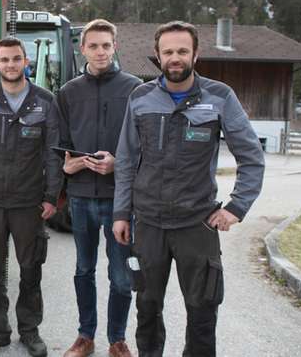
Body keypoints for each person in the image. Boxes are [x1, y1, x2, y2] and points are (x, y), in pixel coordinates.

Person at [112, 21, 265, 356]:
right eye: (168, 52)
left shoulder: (220, 96)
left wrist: (236, 207)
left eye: (182, 51)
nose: (175, 58)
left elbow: (252, 157)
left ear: (195, 54)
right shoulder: (140, 97)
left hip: (198, 224)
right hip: (149, 223)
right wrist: (122, 213)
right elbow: (125, 160)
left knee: (202, 310)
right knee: (148, 308)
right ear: (158, 56)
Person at [0, 37, 62, 357]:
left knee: (31, 269)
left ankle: (29, 331)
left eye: (16, 59)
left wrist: (51, 196)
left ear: (26, 62)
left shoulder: (45, 101)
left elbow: (53, 154)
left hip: (28, 202)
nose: (10, 65)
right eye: (4, 60)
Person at [57, 19, 141, 357]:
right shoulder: (68, 92)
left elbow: (143, 147)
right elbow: (61, 148)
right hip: (79, 198)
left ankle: (117, 339)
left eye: (106, 45)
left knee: (121, 276)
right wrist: (70, 165)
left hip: (119, 200)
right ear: (83, 49)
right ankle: (85, 336)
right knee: (83, 270)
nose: (101, 51)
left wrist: (116, 164)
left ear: (115, 46)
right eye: (94, 45)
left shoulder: (135, 89)